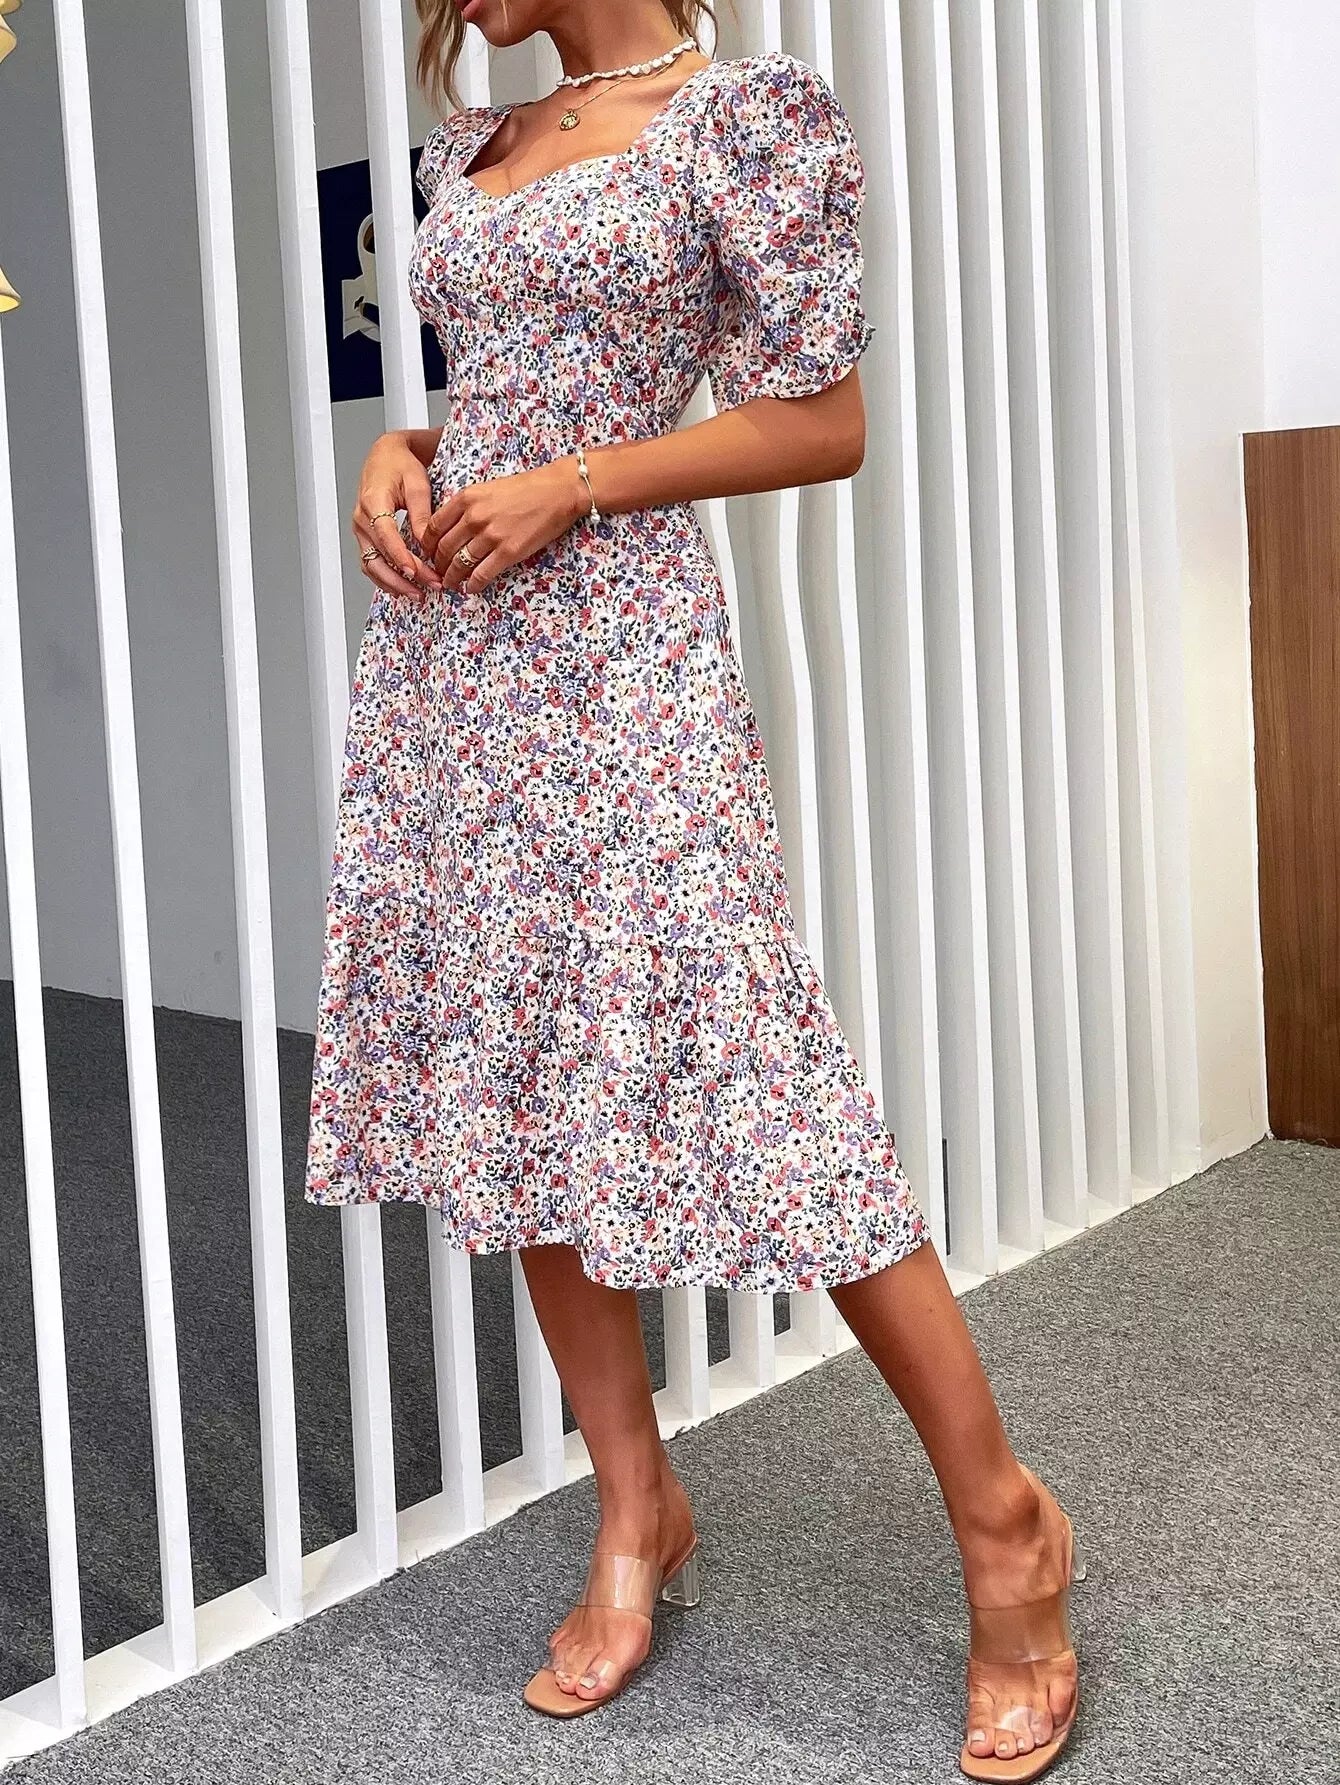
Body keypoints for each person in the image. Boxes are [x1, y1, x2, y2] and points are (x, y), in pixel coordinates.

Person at [303, 2, 1085, 1777]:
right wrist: (403, 451)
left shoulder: (744, 121)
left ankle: (1005, 1524)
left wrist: (576, 487)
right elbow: (496, 394)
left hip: (626, 646)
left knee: (757, 1066)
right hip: (457, 658)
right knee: (519, 1067)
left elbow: (823, 420)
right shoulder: (483, 147)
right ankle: (634, 1503)